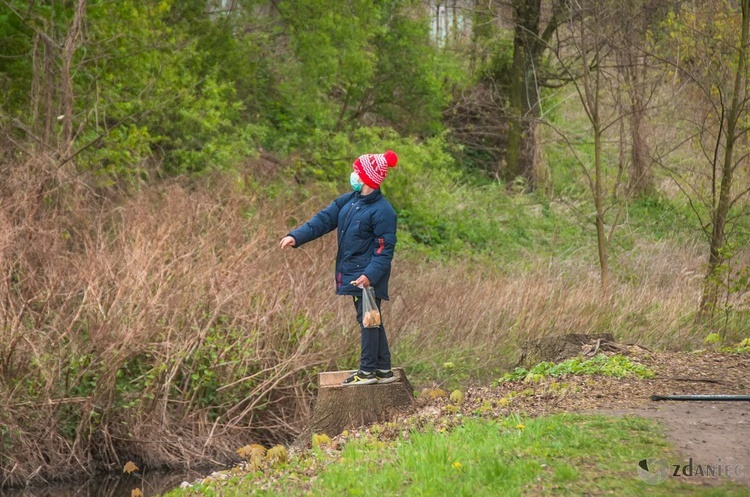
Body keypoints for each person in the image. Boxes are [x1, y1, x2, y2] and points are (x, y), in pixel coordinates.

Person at [280, 150, 399, 386]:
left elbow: (384, 251)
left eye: (357, 170)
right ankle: (383, 368)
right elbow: (323, 220)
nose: (353, 174)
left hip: (366, 275)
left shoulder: (384, 211)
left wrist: (369, 275)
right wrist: (296, 237)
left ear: (368, 176)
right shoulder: (349, 201)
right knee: (372, 317)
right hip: (355, 271)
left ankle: (367, 371)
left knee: (368, 319)